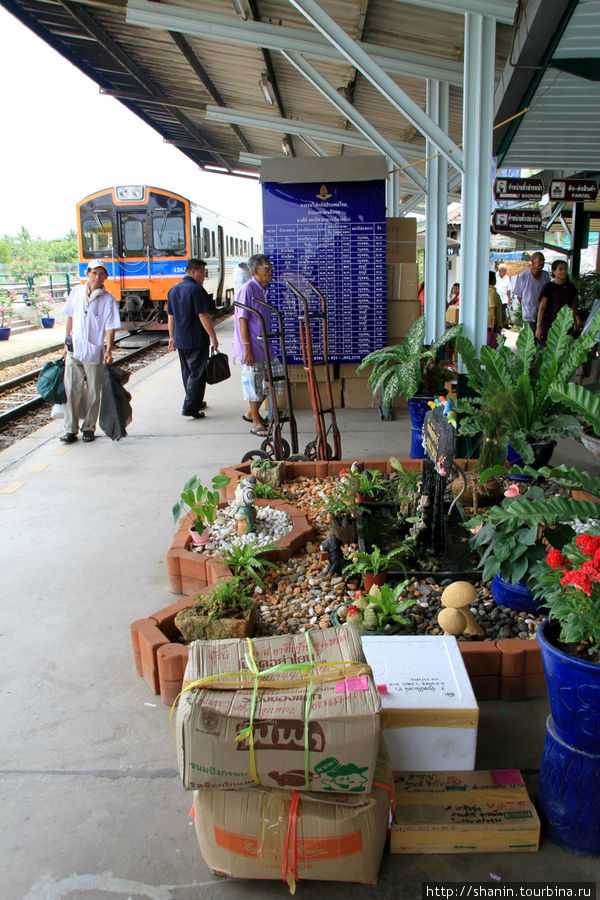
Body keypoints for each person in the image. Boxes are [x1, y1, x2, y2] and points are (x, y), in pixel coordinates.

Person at [61, 259, 121, 443]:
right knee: (72, 389)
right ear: (87, 273)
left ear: (106, 277)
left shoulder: (108, 299)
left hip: (94, 351)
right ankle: (70, 429)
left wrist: (108, 349)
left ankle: (88, 427)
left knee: (94, 390)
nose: (97, 277)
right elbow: (70, 317)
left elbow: (110, 327)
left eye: (101, 274)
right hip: (74, 348)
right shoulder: (76, 292)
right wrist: (65, 343)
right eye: (94, 273)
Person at [167, 258, 218, 419]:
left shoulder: (173, 290)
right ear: (193, 271)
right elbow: (203, 314)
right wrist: (213, 337)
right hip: (196, 338)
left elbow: (171, 315)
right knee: (197, 373)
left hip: (181, 340)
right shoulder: (197, 290)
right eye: (203, 272)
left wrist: (171, 336)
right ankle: (190, 407)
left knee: (187, 373)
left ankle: (195, 400)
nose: (204, 275)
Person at [232, 254, 274, 436]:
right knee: (254, 384)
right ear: (256, 270)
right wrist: (247, 347)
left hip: (264, 346)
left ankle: (251, 413)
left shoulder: (262, 289)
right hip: (252, 347)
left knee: (274, 380)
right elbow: (242, 319)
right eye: (267, 267)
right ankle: (255, 422)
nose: (270, 270)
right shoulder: (248, 288)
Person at [535, 259, 577, 346]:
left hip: (566, 323)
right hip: (550, 323)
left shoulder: (570, 287)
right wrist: (538, 326)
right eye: (560, 269)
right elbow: (542, 307)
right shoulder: (548, 287)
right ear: (554, 271)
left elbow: (572, 306)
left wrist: (575, 322)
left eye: (565, 269)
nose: (564, 271)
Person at [513, 252, 550, 335]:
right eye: (540, 260)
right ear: (532, 261)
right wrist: (526, 307)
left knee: (541, 337)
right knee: (531, 338)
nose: (542, 263)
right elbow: (519, 295)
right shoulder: (524, 275)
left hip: (543, 312)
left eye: (543, 261)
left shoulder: (545, 275)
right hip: (529, 313)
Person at [487, 270, 503, 348]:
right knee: (492, 345)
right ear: (494, 281)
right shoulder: (491, 292)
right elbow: (492, 305)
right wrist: (495, 320)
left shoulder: (485, 291)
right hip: (491, 324)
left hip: (488, 323)